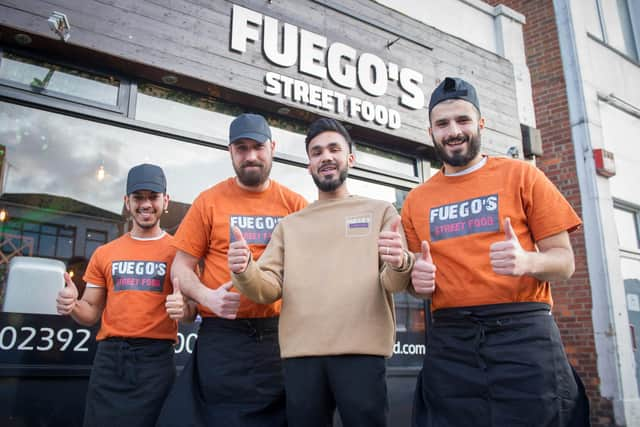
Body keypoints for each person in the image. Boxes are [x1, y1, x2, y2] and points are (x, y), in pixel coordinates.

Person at [402, 77, 590, 426]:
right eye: (442, 124)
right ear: (430, 131)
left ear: (480, 124)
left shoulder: (522, 175)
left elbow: (565, 263)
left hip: (523, 334)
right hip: (451, 339)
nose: (453, 131)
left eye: (463, 120)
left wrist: (526, 261)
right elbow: (417, 281)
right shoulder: (416, 200)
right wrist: (417, 283)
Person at [228, 117, 414, 427]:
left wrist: (398, 262)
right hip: (302, 358)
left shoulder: (380, 212)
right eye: (316, 152)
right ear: (310, 165)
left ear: (349, 158)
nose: (325, 157)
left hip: (362, 354)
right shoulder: (290, 225)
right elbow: (269, 287)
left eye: (333, 149)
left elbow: (393, 283)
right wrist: (245, 268)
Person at [156, 113, 307, 427]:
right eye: (241, 148)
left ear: (272, 148)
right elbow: (180, 267)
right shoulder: (208, 201)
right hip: (221, 340)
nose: (250, 156)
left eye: (258, 147)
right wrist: (206, 297)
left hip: (278, 337)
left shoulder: (294, 205)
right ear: (230, 152)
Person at [56, 163, 194, 427]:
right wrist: (73, 304)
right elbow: (91, 310)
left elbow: (191, 312)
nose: (145, 204)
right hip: (110, 362)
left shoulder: (178, 252)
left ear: (165, 201)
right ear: (126, 201)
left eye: (152, 197)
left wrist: (183, 310)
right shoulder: (105, 253)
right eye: (138, 197)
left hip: (156, 361)